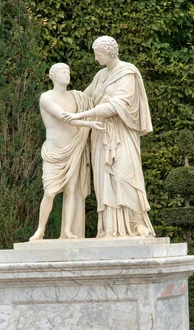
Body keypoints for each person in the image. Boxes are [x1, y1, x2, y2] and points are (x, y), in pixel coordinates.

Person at [63, 36, 155, 238]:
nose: (96, 59)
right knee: (105, 183)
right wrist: (58, 95)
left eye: (98, 55)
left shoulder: (127, 73)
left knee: (126, 177)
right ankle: (110, 229)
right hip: (100, 135)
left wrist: (81, 116)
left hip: (121, 134)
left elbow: (116, 105)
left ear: (109, 53)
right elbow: (83, 97)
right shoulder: (100, 76)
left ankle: (137, 224)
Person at [30, 63, 105, 241]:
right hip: (55, 151)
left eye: (68, 72)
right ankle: (40, 230)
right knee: (49, 192)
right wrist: (89, 123)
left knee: (72, 190)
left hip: (74, 148)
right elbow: (64, 117)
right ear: (53, 76)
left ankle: (68, 231)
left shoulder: (76, 97)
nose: (67, 75)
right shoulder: (46, 98)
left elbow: (93, 97)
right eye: (63, 72)